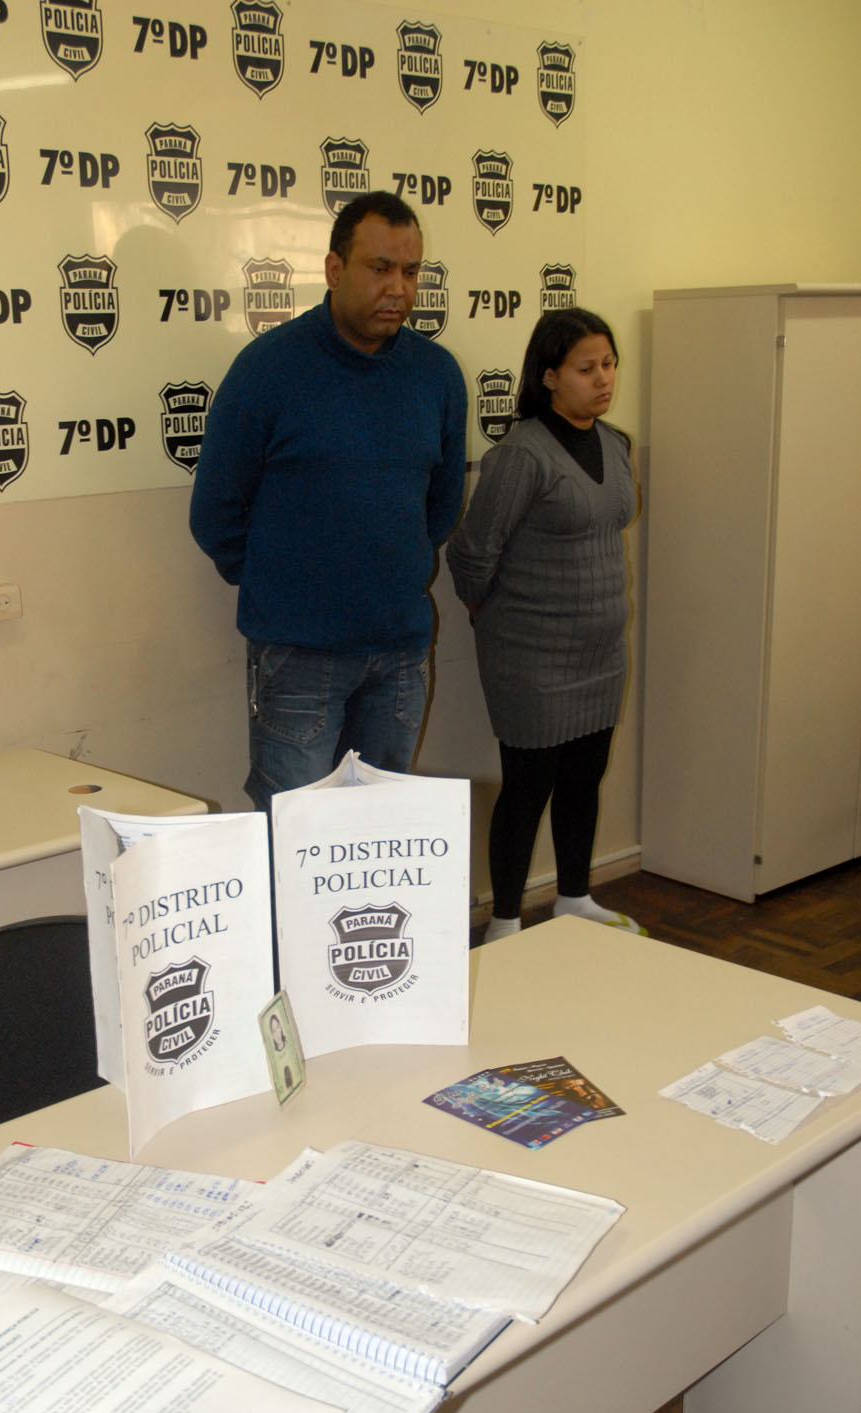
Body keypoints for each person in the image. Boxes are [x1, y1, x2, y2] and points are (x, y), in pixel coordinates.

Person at [189, 190, 468, 813]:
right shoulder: (268, 369)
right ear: (335, 269)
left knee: (379, 833)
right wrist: (283, 584)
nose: (398, 288)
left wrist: (386, 570)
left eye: (411, 270)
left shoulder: (437, 375)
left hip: (399, 651)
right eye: (380, 268)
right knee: (295, 830)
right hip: (298, 654)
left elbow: (442, 506)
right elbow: (215, 512)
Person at [447, 307, 645, 939]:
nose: (603, 379)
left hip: (602, 654)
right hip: (531, 657)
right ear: (550, 376)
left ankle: (574, 898)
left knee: (584, 778)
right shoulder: (521, 454)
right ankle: (504, 921)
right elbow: (471, 552)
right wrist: (486, 612)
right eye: (586, 368)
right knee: (528, 787)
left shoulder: (615, 444)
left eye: (609, 364)